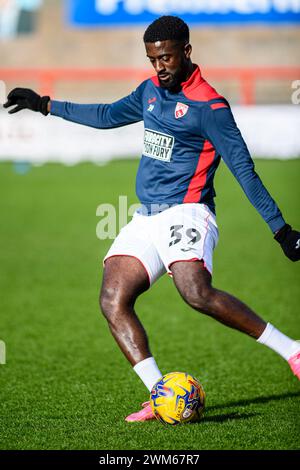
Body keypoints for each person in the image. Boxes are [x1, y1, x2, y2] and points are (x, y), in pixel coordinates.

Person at [4, 15, 300, 423]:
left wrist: (280, 231)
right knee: (112, 300)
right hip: (146, 216)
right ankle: (161, 396)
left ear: (186, 52)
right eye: (152, 59)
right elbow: (107, 115)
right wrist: (45, 105)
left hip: (190, 211)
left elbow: (244, 170)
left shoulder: (210, 107)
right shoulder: (149, 91)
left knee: (195, 292)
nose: (159, 67)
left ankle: (292, 350)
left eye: (166, 58)